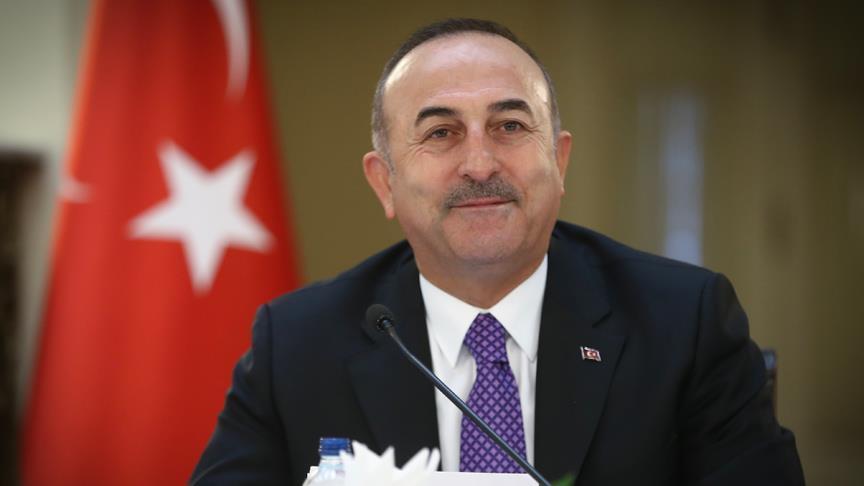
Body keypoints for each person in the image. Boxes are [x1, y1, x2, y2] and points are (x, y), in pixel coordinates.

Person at [191, 18, 804, 485]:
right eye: (441, 133)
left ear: (559, 161)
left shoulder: (685, 321)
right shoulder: (297, 343)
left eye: (510, 126)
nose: (480, 164)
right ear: (384, 183)